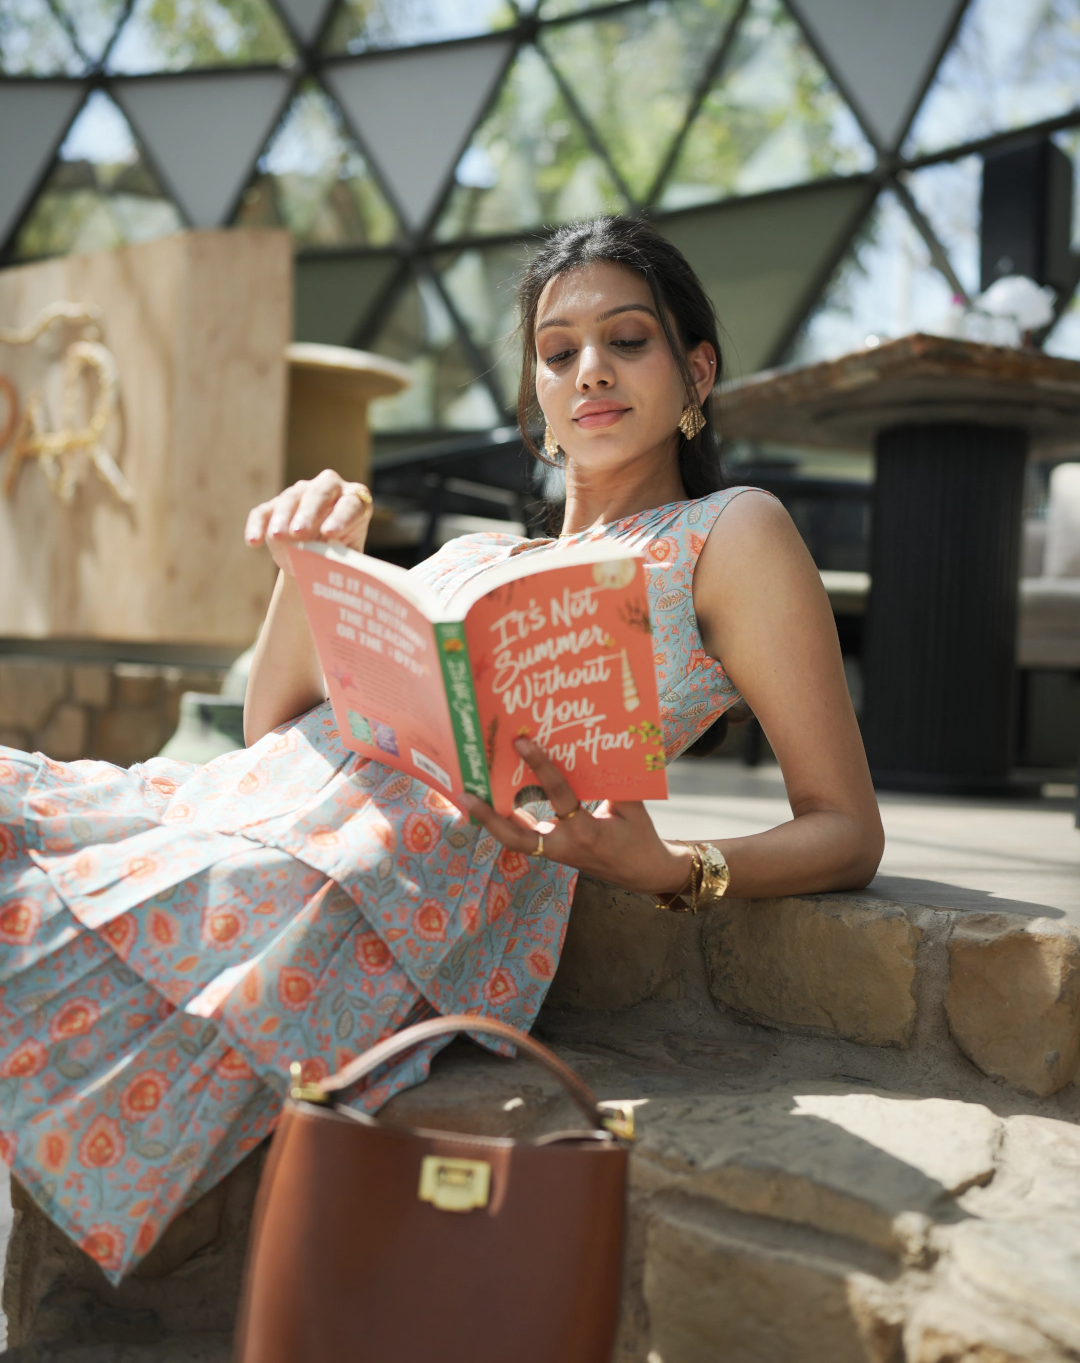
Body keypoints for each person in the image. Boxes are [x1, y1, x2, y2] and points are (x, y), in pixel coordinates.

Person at [0, 216, 883, 1282]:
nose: (589, 370)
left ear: (695, 368)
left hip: (386, 888)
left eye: (627, 340)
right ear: (539, 398)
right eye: (557, 353)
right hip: (248, 807)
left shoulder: (730, 533)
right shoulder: (473, 552)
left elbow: (846, 827)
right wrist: (308, 565)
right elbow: (278, 731)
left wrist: (677, 872)